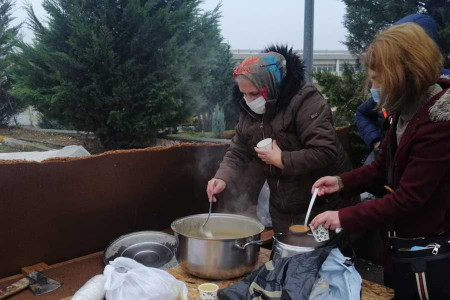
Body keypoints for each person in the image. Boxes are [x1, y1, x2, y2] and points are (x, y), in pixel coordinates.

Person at [310, 23, 450, 298]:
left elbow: (409, 198)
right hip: (400, 247)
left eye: (378, 79)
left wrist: (343, 217)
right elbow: (379, 169)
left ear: (405, 76)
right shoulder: (405, 112)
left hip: (428, 254)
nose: (373, 88)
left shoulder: (439, 123)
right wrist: (339, 182)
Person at [206, 45, 357, 233]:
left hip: (322, 203)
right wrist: (222, 177)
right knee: (286, 259)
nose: (248, 100)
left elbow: (325, 150)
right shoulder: (249, 110)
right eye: (243, 93)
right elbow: (238, 150)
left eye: (254, 93)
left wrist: (281, 160)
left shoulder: (305, 100)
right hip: (282, 207)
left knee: (324, 260)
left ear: (272, 85)